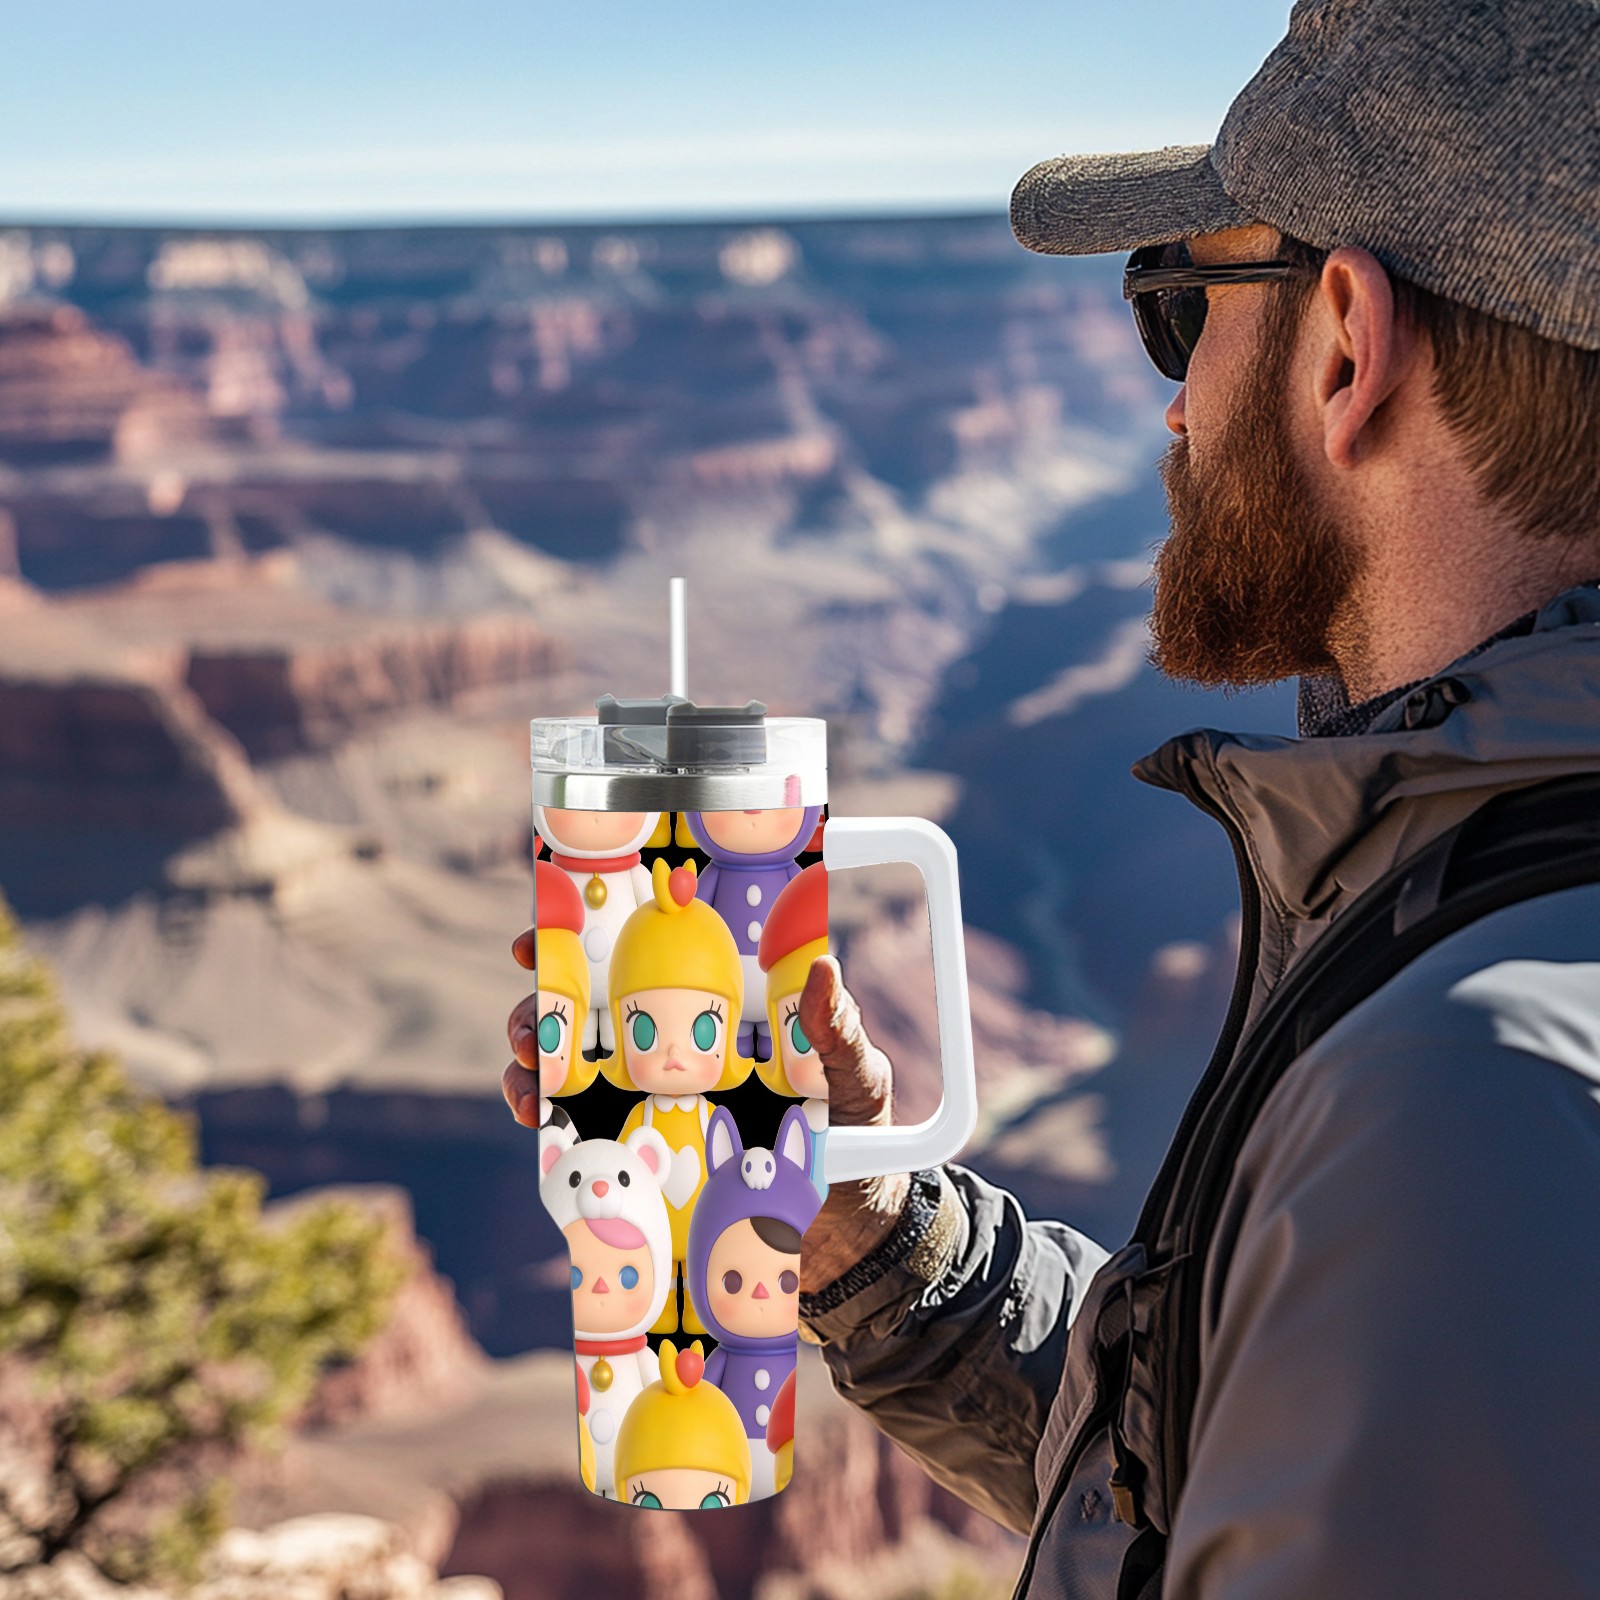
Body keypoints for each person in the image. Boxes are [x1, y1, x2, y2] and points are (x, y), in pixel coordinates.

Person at [506, 0, 1600, 1591]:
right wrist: (863, 1217)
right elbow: (1234, 1471)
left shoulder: (1461, 1103)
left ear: (1346, 344)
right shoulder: (1492, 965)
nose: (1173, 402)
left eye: (1183, 305)